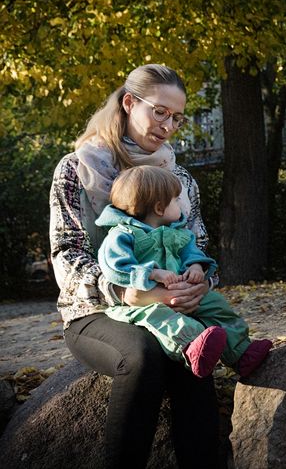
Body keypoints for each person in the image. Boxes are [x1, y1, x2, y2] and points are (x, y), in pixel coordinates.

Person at [51, 64, 220, 468]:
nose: (169, 125)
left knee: (192, 356)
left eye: (177, 117)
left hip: (169, 306)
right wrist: (128, 291)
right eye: (160, 112)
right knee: (143, 356)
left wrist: (201, 285)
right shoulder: (74, 170)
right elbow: (68, 255)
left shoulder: (179, 179)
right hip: (95, 311)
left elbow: (199, 247)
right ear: (129, 102)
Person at [97, 165, 272, 379]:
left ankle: (241, 353)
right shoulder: (123, 234)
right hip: (146, 302)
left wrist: (196, 267)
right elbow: (114, 265)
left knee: (215, 304)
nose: (181, 204)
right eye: (176, 199)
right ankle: (191, 348)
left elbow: (192, 253)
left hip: (186, 293)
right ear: (160, 208)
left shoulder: (179, 233)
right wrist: (152, 273)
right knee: (161, 318)